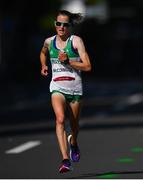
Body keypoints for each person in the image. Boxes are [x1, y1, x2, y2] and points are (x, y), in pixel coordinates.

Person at [40, 10, 92, 173]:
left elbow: (88, 66)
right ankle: (65, 160)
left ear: (70, 26)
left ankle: (73, 143)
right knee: (60, 119)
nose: (61, 27)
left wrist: (69, 62)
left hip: (75, 88)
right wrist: (44, 65)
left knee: (74, 124)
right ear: (55, 24)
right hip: (57, 86)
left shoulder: (76, 41)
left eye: (65, 24)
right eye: (58, 24)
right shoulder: (49, 42)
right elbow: (43, 52)